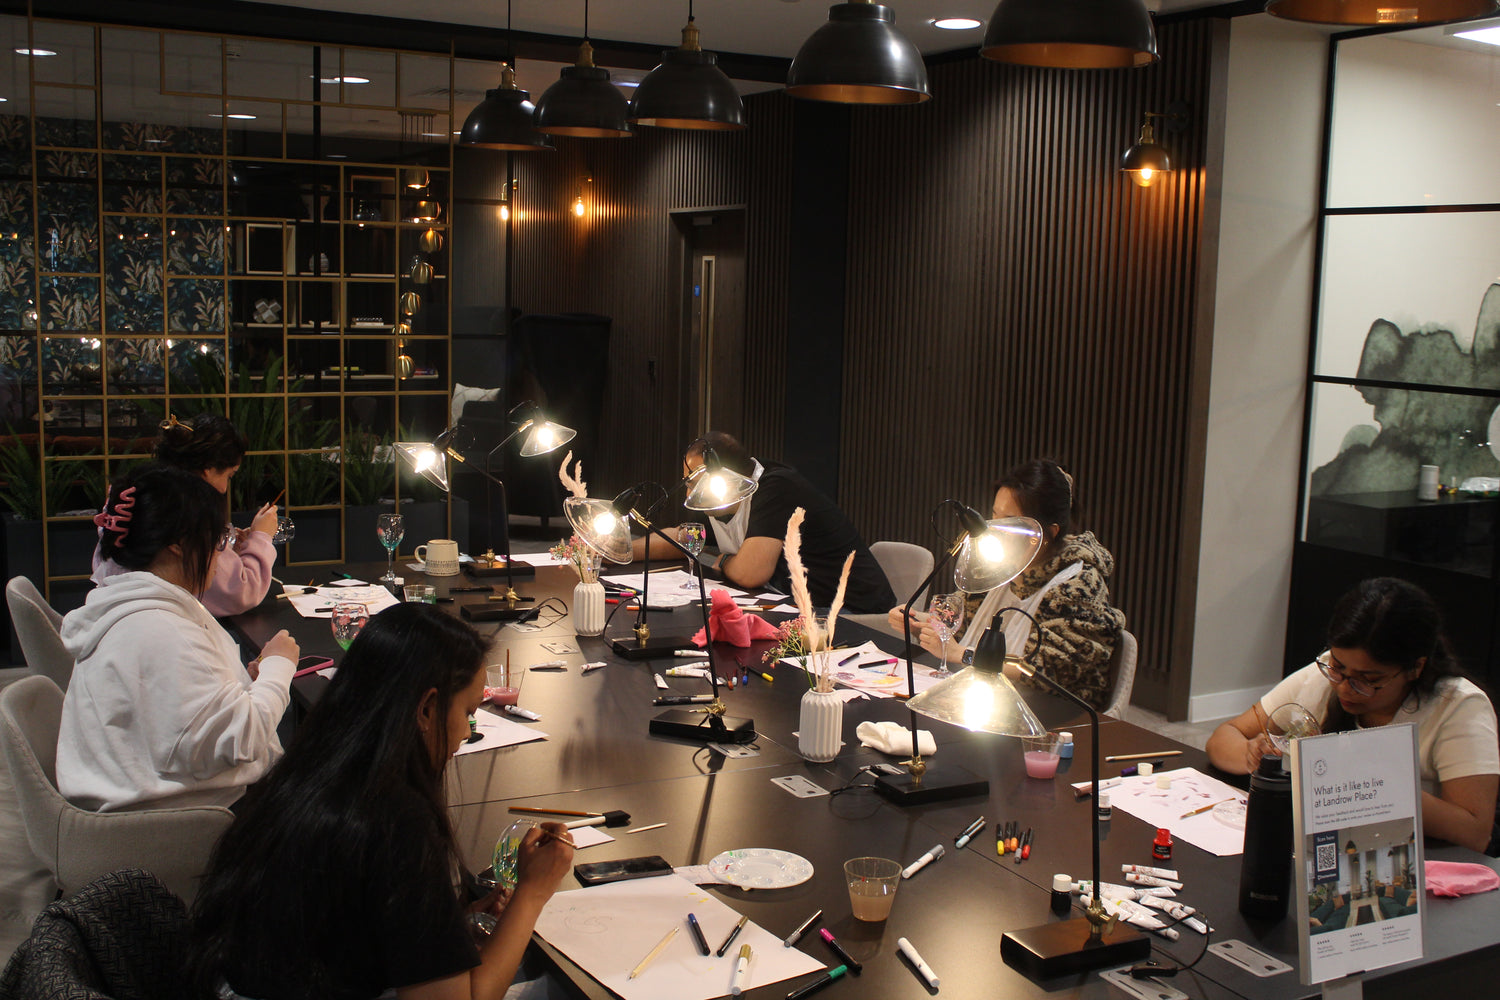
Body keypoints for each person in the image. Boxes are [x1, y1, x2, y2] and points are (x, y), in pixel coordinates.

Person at [189, 603, 575, 1000]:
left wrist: (446, 925)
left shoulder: (309, 773)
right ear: (426, 709)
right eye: (468, 711)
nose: (465, 732)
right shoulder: (395, 820)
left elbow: (349, 928)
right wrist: (531, 893)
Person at [58, 464, 299, 811]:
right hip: (188, 823)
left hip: (147, 797)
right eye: (218, 542)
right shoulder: (159, 628)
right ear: (178, 545)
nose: (220, 558)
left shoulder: (129, 608)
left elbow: (175, 711)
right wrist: (279, 665)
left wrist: (239, 682)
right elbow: (242, 739)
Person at [1206, 578, 1499, 853]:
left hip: (1414, 860)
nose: (1346, 688)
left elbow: (1475, 831)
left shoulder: (1458, 706)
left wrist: (1369, 785)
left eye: (1368, 679)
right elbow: (1224, 737)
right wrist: (1250, 754)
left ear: (1415, 668)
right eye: (1338, 667)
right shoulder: (1322, 677)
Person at [889, 458, 1125, 710]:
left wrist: (964, 655)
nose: (995, 528)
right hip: (983, 701)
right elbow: (962, 624)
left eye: (1010, 519)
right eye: (994, 515)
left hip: (1050, 717)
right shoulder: (998, 562)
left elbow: (1048, 673)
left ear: (1049, 532)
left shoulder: (1078, 584)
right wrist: (921, 623)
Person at [637, 432, 895, 614]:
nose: (689, 493)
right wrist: (620, 552)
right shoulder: (716, 496)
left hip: (849, 612)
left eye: (694, 482)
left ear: (727, 476)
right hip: (795, 603)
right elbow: (685, 537)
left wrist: (725, 561)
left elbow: (751, 573)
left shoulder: (777, 487)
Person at [91, 412, 280, 616]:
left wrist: (228, 546)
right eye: (229, 475)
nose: (225, 489)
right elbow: (239, 593)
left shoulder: (143, 493)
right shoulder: (187, 512)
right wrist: (261, 537)